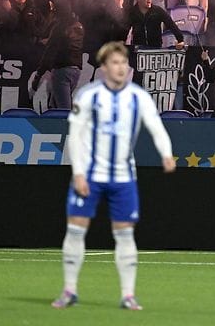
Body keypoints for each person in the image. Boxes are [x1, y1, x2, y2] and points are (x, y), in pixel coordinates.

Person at [52, 42, 177, 311]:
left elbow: (155, 126)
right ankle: (69, 290)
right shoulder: (87, 96)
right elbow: (75, 136)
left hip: (123, 177)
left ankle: (128, 295)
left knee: (124, 236)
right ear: (104, 68)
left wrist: (166, 153)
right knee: (75, 231)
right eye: (115, 63)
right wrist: (79, 173)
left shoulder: (138, 97)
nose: (121, 68)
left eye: (124, 63)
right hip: (91, 175)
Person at [30, 0, 84, 109]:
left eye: (52, 6)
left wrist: (38, 76)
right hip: (75, 69)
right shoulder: (77, 24)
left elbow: (49, 52)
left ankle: (66, 127)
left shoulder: (59, 27)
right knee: (54, 106)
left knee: (63, 109)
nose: (51, 9)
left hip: (61, 70)